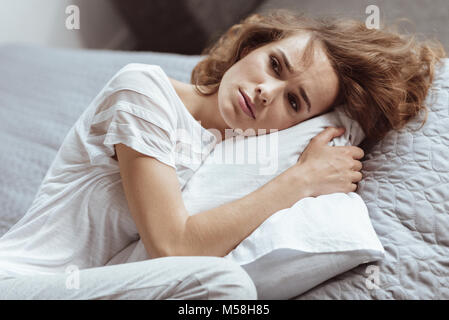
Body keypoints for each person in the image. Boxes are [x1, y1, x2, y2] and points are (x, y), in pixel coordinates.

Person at [0, 9, 445, 300]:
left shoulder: (226, 154)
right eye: (274, 65)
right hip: (18, 282)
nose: (265, 93)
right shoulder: (142, 89)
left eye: (294, 102)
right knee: (225, 287)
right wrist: (300, 181)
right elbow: (173, 247)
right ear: (254, 47)